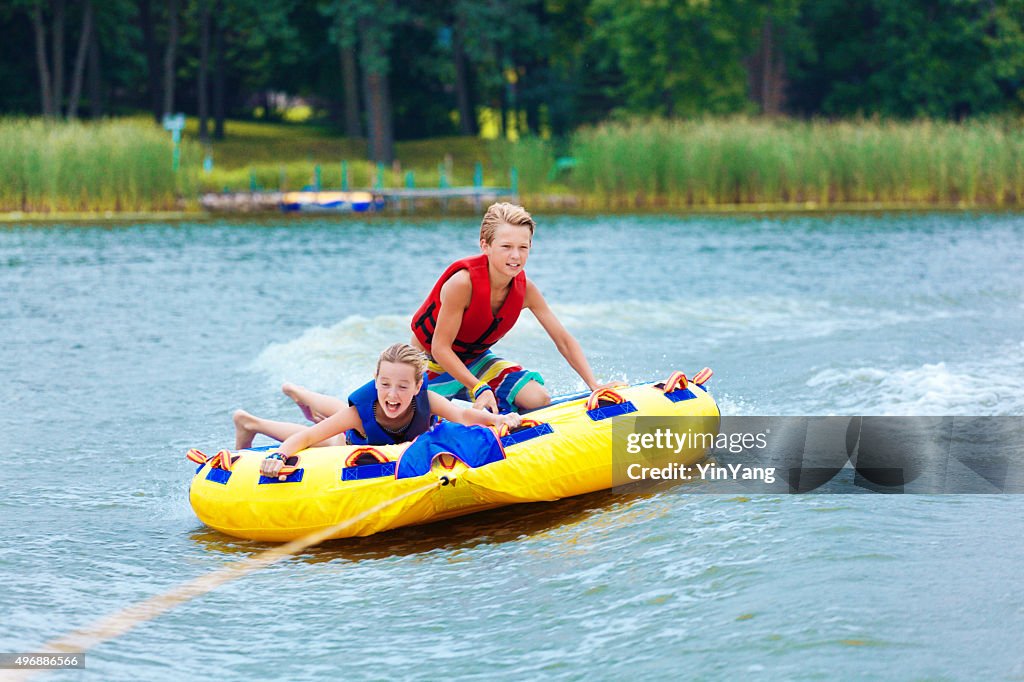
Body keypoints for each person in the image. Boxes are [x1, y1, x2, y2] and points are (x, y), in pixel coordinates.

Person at [410, 202, 622, 414]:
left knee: (538, 398)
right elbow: (440, 348)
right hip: (431, 364)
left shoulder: (526, 290)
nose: (516, 256)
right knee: (419, 419)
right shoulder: (462, 284)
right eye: (506, 247)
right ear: (485, 246)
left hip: (475, 361)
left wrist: (593, 384)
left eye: (523, 247)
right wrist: (479, 386)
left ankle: (498, 421)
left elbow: (563, 340)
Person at [232, 343, 521, 478]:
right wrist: (278, 455)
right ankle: (251, 422)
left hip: (383, 426)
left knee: (347, 410)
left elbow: (465, 415)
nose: (393, 394)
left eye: (403, 387)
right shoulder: (363, 409)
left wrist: (499, 419)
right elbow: (307, 437)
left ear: (419, 385)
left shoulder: (427, 398)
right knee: (328, 432)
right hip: (356, 438)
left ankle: (302, 394)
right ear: (376, 379)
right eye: (384, 384)